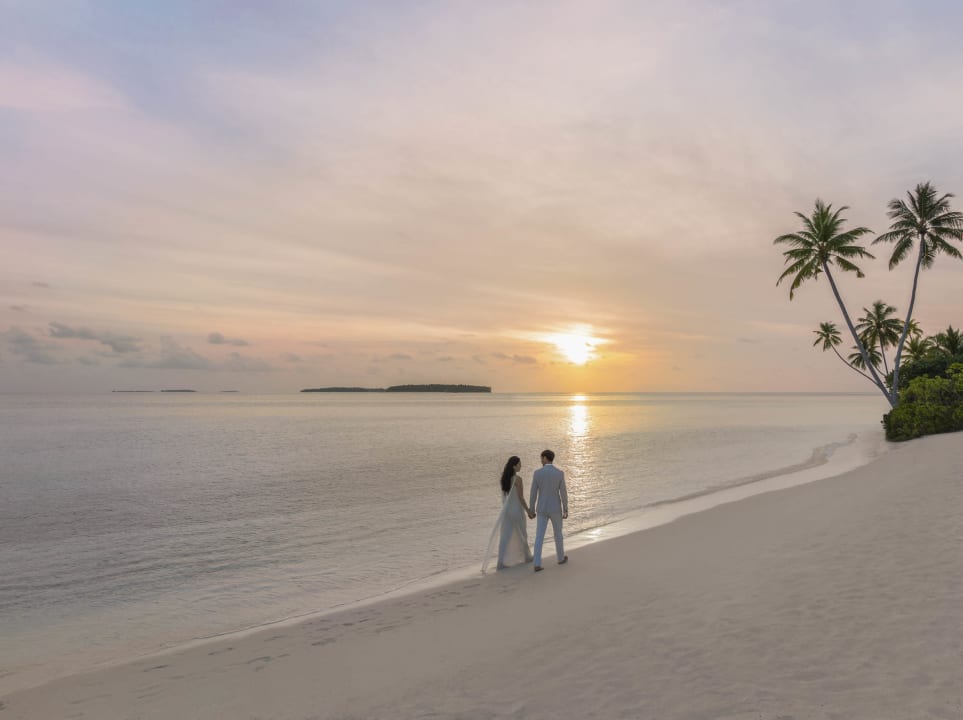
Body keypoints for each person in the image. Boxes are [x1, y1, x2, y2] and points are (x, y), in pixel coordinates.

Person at [480, 456, 534, 573]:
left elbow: (504, 498)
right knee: (522, 533)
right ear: (514, 466)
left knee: (505, 536)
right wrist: (528, 510)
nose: (521, 466)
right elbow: (520, 498)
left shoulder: (504, 479)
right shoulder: (518, 479)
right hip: (517, 511)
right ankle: (527, 557)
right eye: (519, 464)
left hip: (506, 511)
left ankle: (501, 563)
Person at [529, 449, 568, 572]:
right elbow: (563, 493)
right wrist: (565, 509)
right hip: (555, 508)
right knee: (558, 534)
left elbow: (533, 493)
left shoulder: (537, 473)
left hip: (542, 508)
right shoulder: (559, 473)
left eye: (541, 458)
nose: (541, 460)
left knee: (539, 536)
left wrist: (531, 509)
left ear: (545, 458)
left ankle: (537, 563)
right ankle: (560, 558)